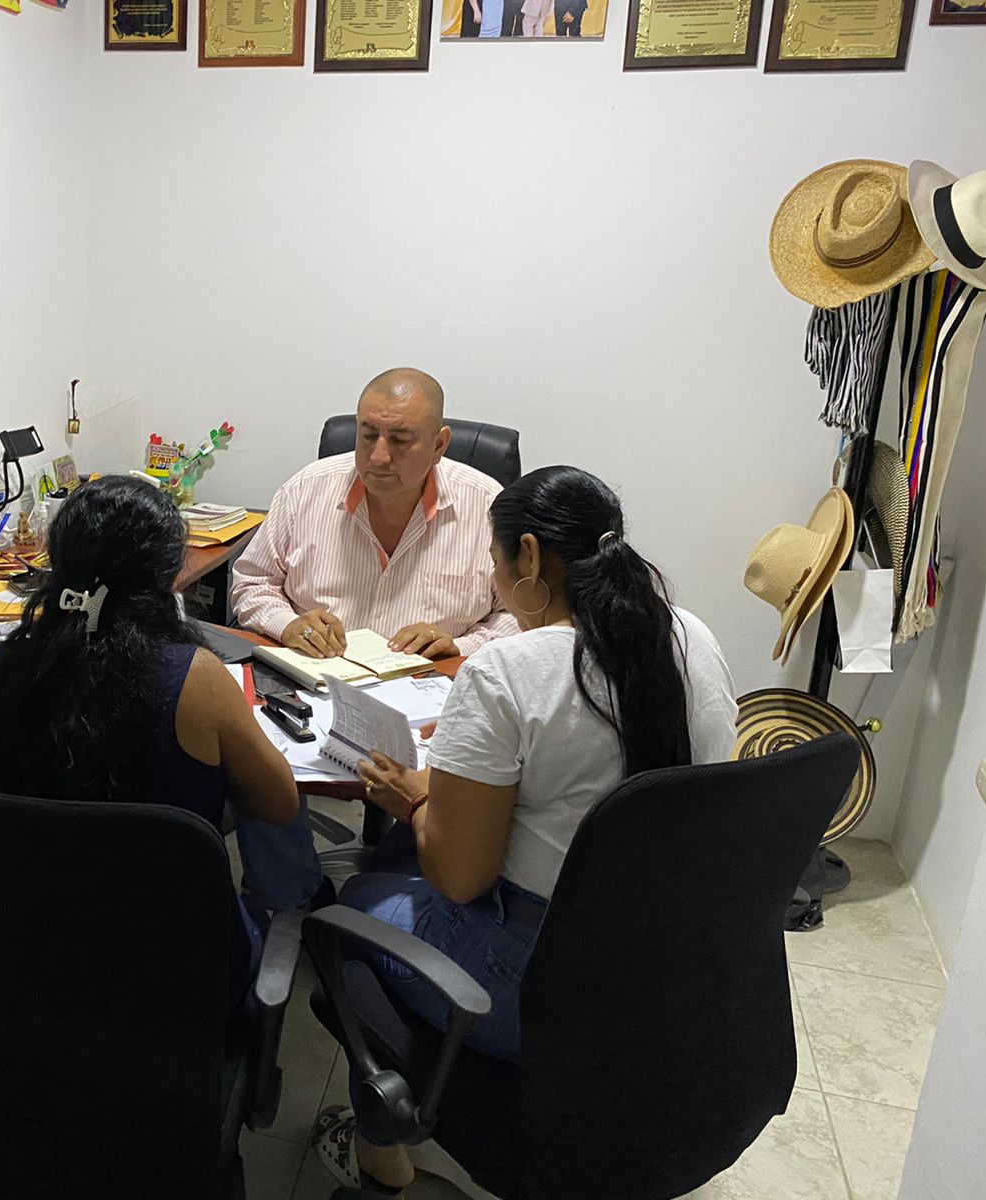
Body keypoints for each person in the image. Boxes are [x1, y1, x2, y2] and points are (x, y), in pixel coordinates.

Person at [309, 466, 740, 1195]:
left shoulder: (510, 670)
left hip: (546, 985)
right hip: (672, 965)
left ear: (531, 557)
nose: (494, 577)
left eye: (495, 560)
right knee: (401, 868)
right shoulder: (690, 634)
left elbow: (461, 878)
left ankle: (383, 1157)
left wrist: (415, 800)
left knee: (353, 906)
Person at [0, 475, 300, 1008]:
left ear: (54, 563)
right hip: (171, 977)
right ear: (169, 577)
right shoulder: (199, 681)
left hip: (15, 965)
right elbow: (279, 804)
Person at [231, 367, 519, 911]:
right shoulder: (308, 489)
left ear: (440, 444)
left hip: (435, 707)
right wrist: (287, 622)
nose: (378, 456)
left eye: (400, 440)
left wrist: (463, 646)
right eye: (368, 435)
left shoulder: (487, 506)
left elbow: (520, 617)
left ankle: (395, 894)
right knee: (246, 755)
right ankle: (294, 897)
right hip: (312, 695)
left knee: (474, 780)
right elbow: (250, 582)